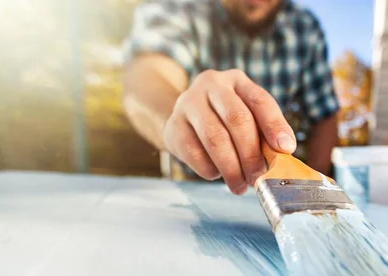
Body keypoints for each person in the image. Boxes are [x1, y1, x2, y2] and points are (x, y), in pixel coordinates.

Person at [123, 0, 340, 194]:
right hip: (191, 192)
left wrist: (311, 194)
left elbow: (324, 116)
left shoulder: (305, 27)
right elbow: (146, 79)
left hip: (282, 189)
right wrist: (173, 118)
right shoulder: (175, 7)